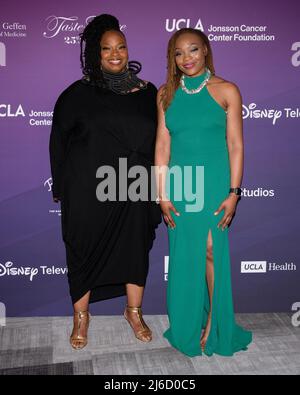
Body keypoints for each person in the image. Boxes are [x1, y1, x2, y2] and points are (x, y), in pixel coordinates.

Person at [49, 14, 161, 350]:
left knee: (135, 249)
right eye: (107, 48)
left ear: (128, 50)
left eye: (121, 47)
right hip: (87, 189)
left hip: (135, 187)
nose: (115, 54)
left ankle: (134, 311)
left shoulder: (148, 92)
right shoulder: (75, 95)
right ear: (96, 54)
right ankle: (81, 317)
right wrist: (62, 187)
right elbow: (58, 143)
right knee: (82, 250)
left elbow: (162, 141)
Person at [155, 28, 252, 357]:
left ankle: (214, 324)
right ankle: (188, 319)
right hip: (181, 185)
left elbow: (236, 144)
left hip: (213, 182)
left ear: (206, 50)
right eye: (179, 53)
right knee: (186, 255)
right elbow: (162, 145)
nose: (186, 59)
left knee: (211, 249)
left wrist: (234, 192)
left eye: (193, 50)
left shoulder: (227, 90)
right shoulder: (165, 93)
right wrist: (162, 194)